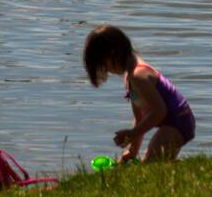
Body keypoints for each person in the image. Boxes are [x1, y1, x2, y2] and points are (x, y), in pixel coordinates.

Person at [83, 24, 195, 163]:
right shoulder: (130, 78)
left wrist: (132, 134)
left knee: (151, 165)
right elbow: (139, 117)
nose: (108, 71)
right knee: (149, 162)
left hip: (178, 121)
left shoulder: (139, 75)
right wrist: (132, 150)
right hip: (174, 121)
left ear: (114, 54)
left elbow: (160, 111)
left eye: (105, 66)